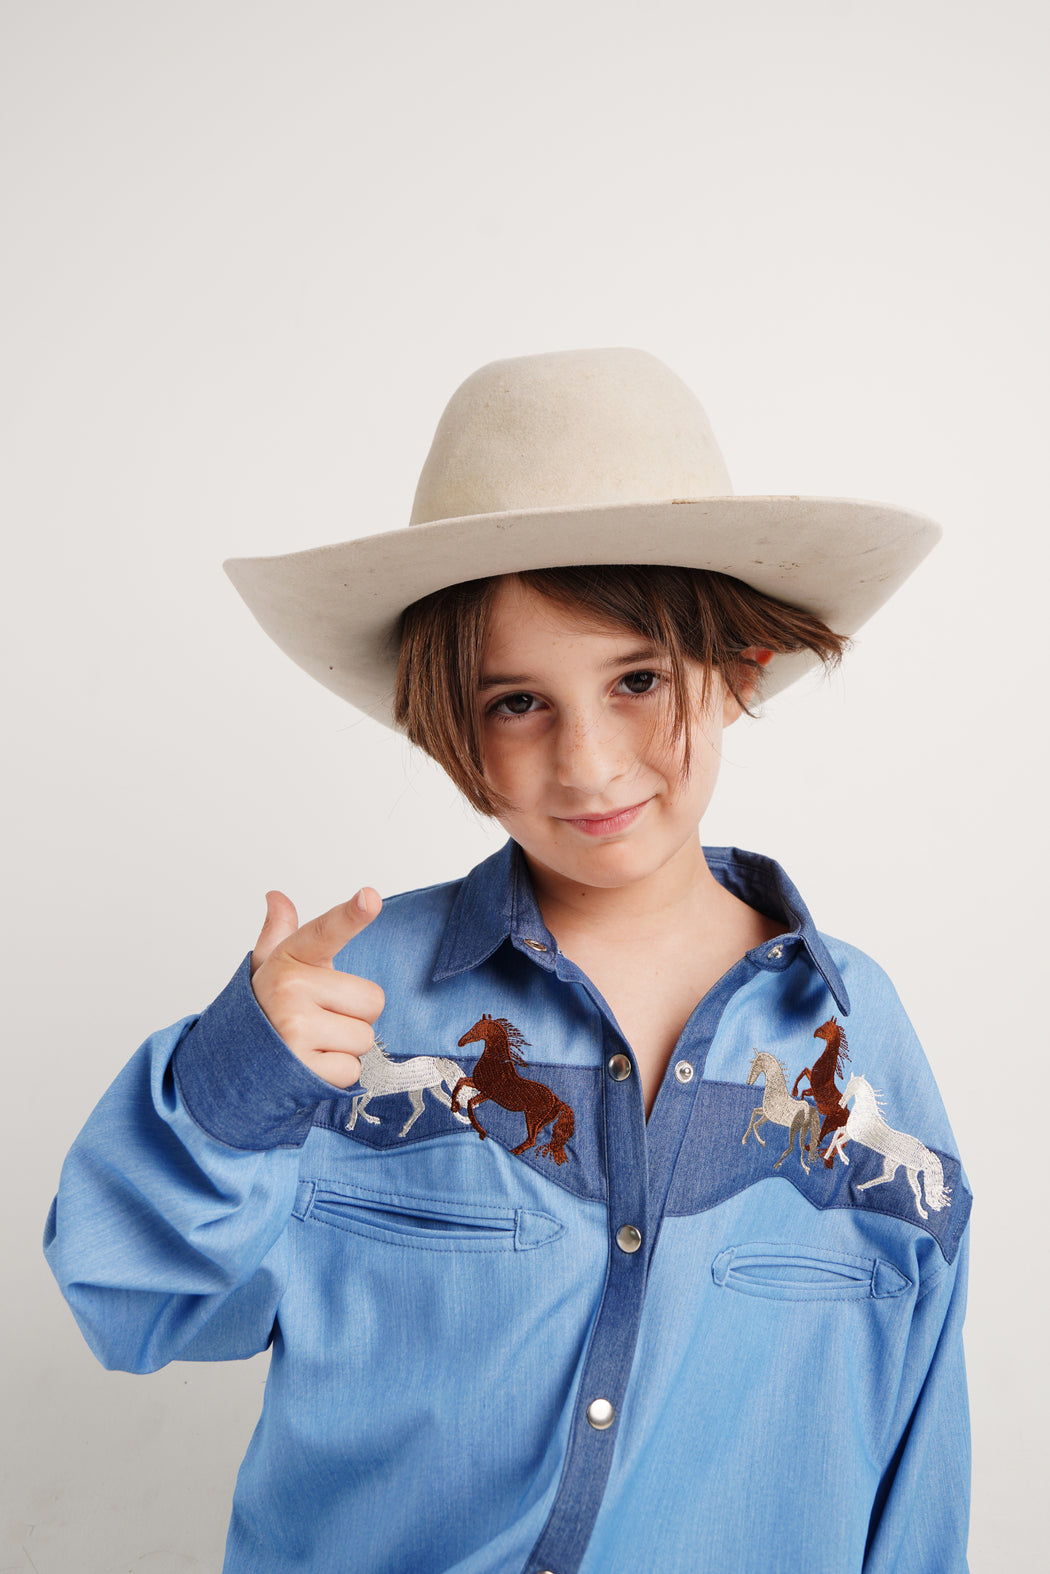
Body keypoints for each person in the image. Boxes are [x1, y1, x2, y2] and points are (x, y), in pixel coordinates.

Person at [44, 349, 971, 1574]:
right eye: (517, 702)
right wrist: (234, 1087)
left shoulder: (856, 1037)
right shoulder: (351, 1005)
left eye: (638, 678)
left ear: (739, 669)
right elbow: (135, 1306)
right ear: (451, 726)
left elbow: (914, 1434)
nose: (588, 762)